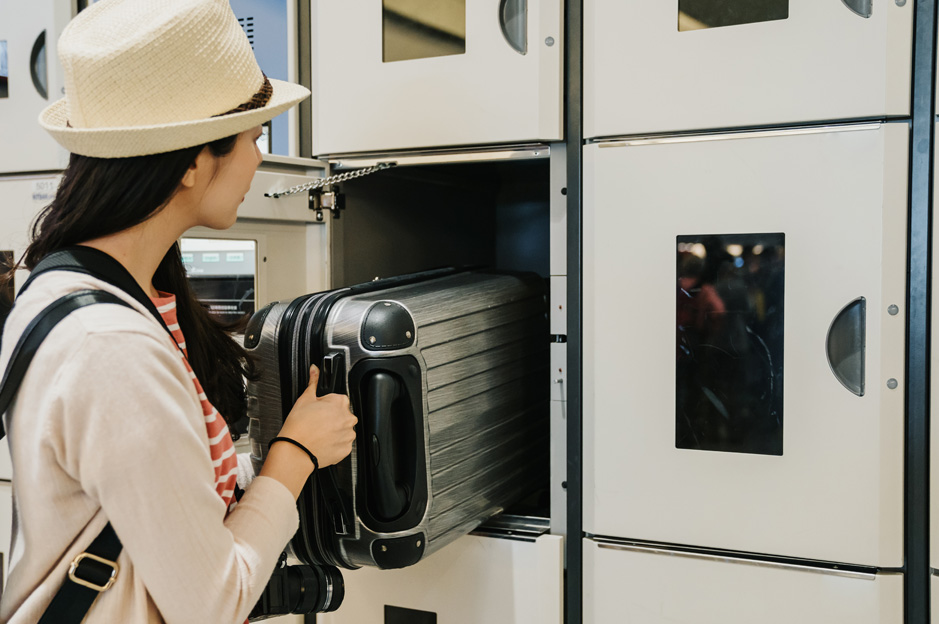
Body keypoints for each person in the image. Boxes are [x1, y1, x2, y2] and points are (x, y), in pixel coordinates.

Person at [0, 0, 358, 622]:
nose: (258, 159)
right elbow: (214, 603)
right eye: (253, 137)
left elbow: (151, 492)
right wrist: (294, 455)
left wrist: (266, 461)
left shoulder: (79, 290)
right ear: (192, 161)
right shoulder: (111, 347)